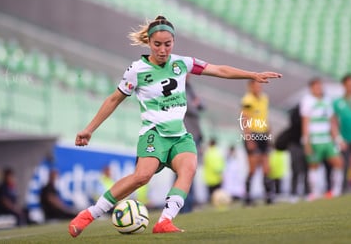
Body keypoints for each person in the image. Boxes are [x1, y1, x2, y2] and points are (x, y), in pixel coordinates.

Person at [68, 15, 281, 237]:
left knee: (188, 169)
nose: (162, 49)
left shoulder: (182, 63)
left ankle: (165, 221)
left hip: (179, 135)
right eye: (157, 44)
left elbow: (218, 70)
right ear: (149, 42)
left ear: (173, 42)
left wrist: (253, 75)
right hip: (154, 134)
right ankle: (89, 214)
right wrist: (89, 129)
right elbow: (113, 99)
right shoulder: (137, 70)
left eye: (167, 44)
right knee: (142, 177)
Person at [300, 78, 344, 201]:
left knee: (338, 163)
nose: (319, 89)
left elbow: (332, 123)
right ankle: (314, 193)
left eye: (320, 86)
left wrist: (338, 139)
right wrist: (306, 141)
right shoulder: (307, 101)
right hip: (315, 139)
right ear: (311, 88)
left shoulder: (327, 100)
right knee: (313, 166)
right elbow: (305, 122)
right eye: (316, 87)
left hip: (327, 139)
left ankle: (336, 190)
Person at [240, 80, 274, 205]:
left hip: (263, 134)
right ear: (250, 87)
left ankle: (269, 196)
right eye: (255, 86)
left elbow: (266, 117)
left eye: (259, 86)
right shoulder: (247, 100)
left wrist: (269, 133)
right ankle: (247, 196)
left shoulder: (264, 98)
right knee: (253, 168)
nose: (258, 88)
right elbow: (244, 119)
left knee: (266, 167)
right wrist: (249, 139)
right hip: (253, 135)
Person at [180, 75, 204, 213]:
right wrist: (195, 104)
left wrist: (196, 104)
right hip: (185, 134)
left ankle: (188, 204)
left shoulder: (190, 88)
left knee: (189, 170)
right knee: (185, 170)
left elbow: (201, 105)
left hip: (194, 133)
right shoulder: (179, 87)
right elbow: (190, 107)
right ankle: (183, 205)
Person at [286, 104, 310, 202]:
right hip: (296, 145)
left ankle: (307, 192)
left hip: (305, 145)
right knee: (296, 170)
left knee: (306, 170)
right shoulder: (296, 113)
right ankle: (294, 193)